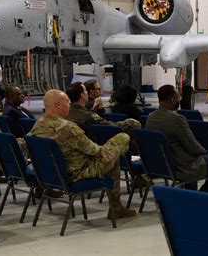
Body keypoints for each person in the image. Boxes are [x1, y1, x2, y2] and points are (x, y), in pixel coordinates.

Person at [28, 89, 136, 218]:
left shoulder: (38, 124)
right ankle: (116, 208)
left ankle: (117, 208)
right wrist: (114, 149)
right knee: (122, 138)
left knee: (113, 157)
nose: (69, 105)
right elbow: (95, 151)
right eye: (67, 102)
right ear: (58, 105)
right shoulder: (67, 127)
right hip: (79, 173)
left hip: (52, 176)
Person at [145, 85, 208, 194]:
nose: (179, 100)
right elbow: (192, 146)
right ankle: (204, 198)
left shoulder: (150, 117)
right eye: (178, 97)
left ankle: (192, 195)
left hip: (160, 165)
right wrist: (205, 153)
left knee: (202, 160)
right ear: (172, 100)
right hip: (181, 166)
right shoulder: (177, 119)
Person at [66, 82, 141, 142]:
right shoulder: (88, 116)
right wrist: (128, 122)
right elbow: (109, 126)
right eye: (85, 90)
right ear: (82, 95)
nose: (87, 93)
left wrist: (92, 111)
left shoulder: (66, 113)